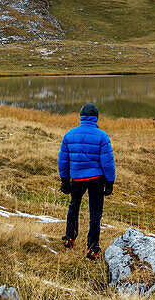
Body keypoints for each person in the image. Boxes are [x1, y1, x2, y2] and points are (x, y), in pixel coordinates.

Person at [58, 103, 115, 259]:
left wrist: (64, 180)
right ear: (96, 117)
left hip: (77, 178)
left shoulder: (69, 134)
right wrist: (109, 182)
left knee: (73, 206)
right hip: (97, 179)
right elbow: (107, 162)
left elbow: (63, 160)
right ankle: (92, 249)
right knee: (95, 213)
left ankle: (69, 238)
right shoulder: (102, 136)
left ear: (81, 116)